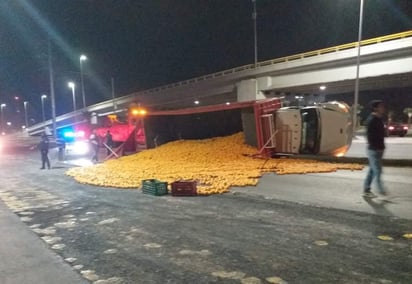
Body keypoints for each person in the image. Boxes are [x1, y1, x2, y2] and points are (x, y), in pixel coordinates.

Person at [363, 100, 386, 198]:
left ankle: (366, 189)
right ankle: (382, 191)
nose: (383, 108)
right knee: (378, 170)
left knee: (373, 170)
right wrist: (376, 146)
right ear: (375, 108)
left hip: (379, 149)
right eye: (381, 106)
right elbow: (370, 136)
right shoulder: (371, 120)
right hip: (373, 150)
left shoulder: (379, 119)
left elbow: (381, 134)